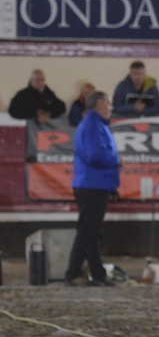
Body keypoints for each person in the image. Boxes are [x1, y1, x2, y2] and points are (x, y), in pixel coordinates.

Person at [65, 91, 121, 287]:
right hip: (92, 184)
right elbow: (94, 155)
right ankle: (73, 272)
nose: (111, 108)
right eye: (109, 104)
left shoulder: (95, 124)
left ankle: (98, 273)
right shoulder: (93, 125)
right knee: (87, 232)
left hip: (94, 183)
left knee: (93, 232)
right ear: (99, 104)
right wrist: (115, 160)